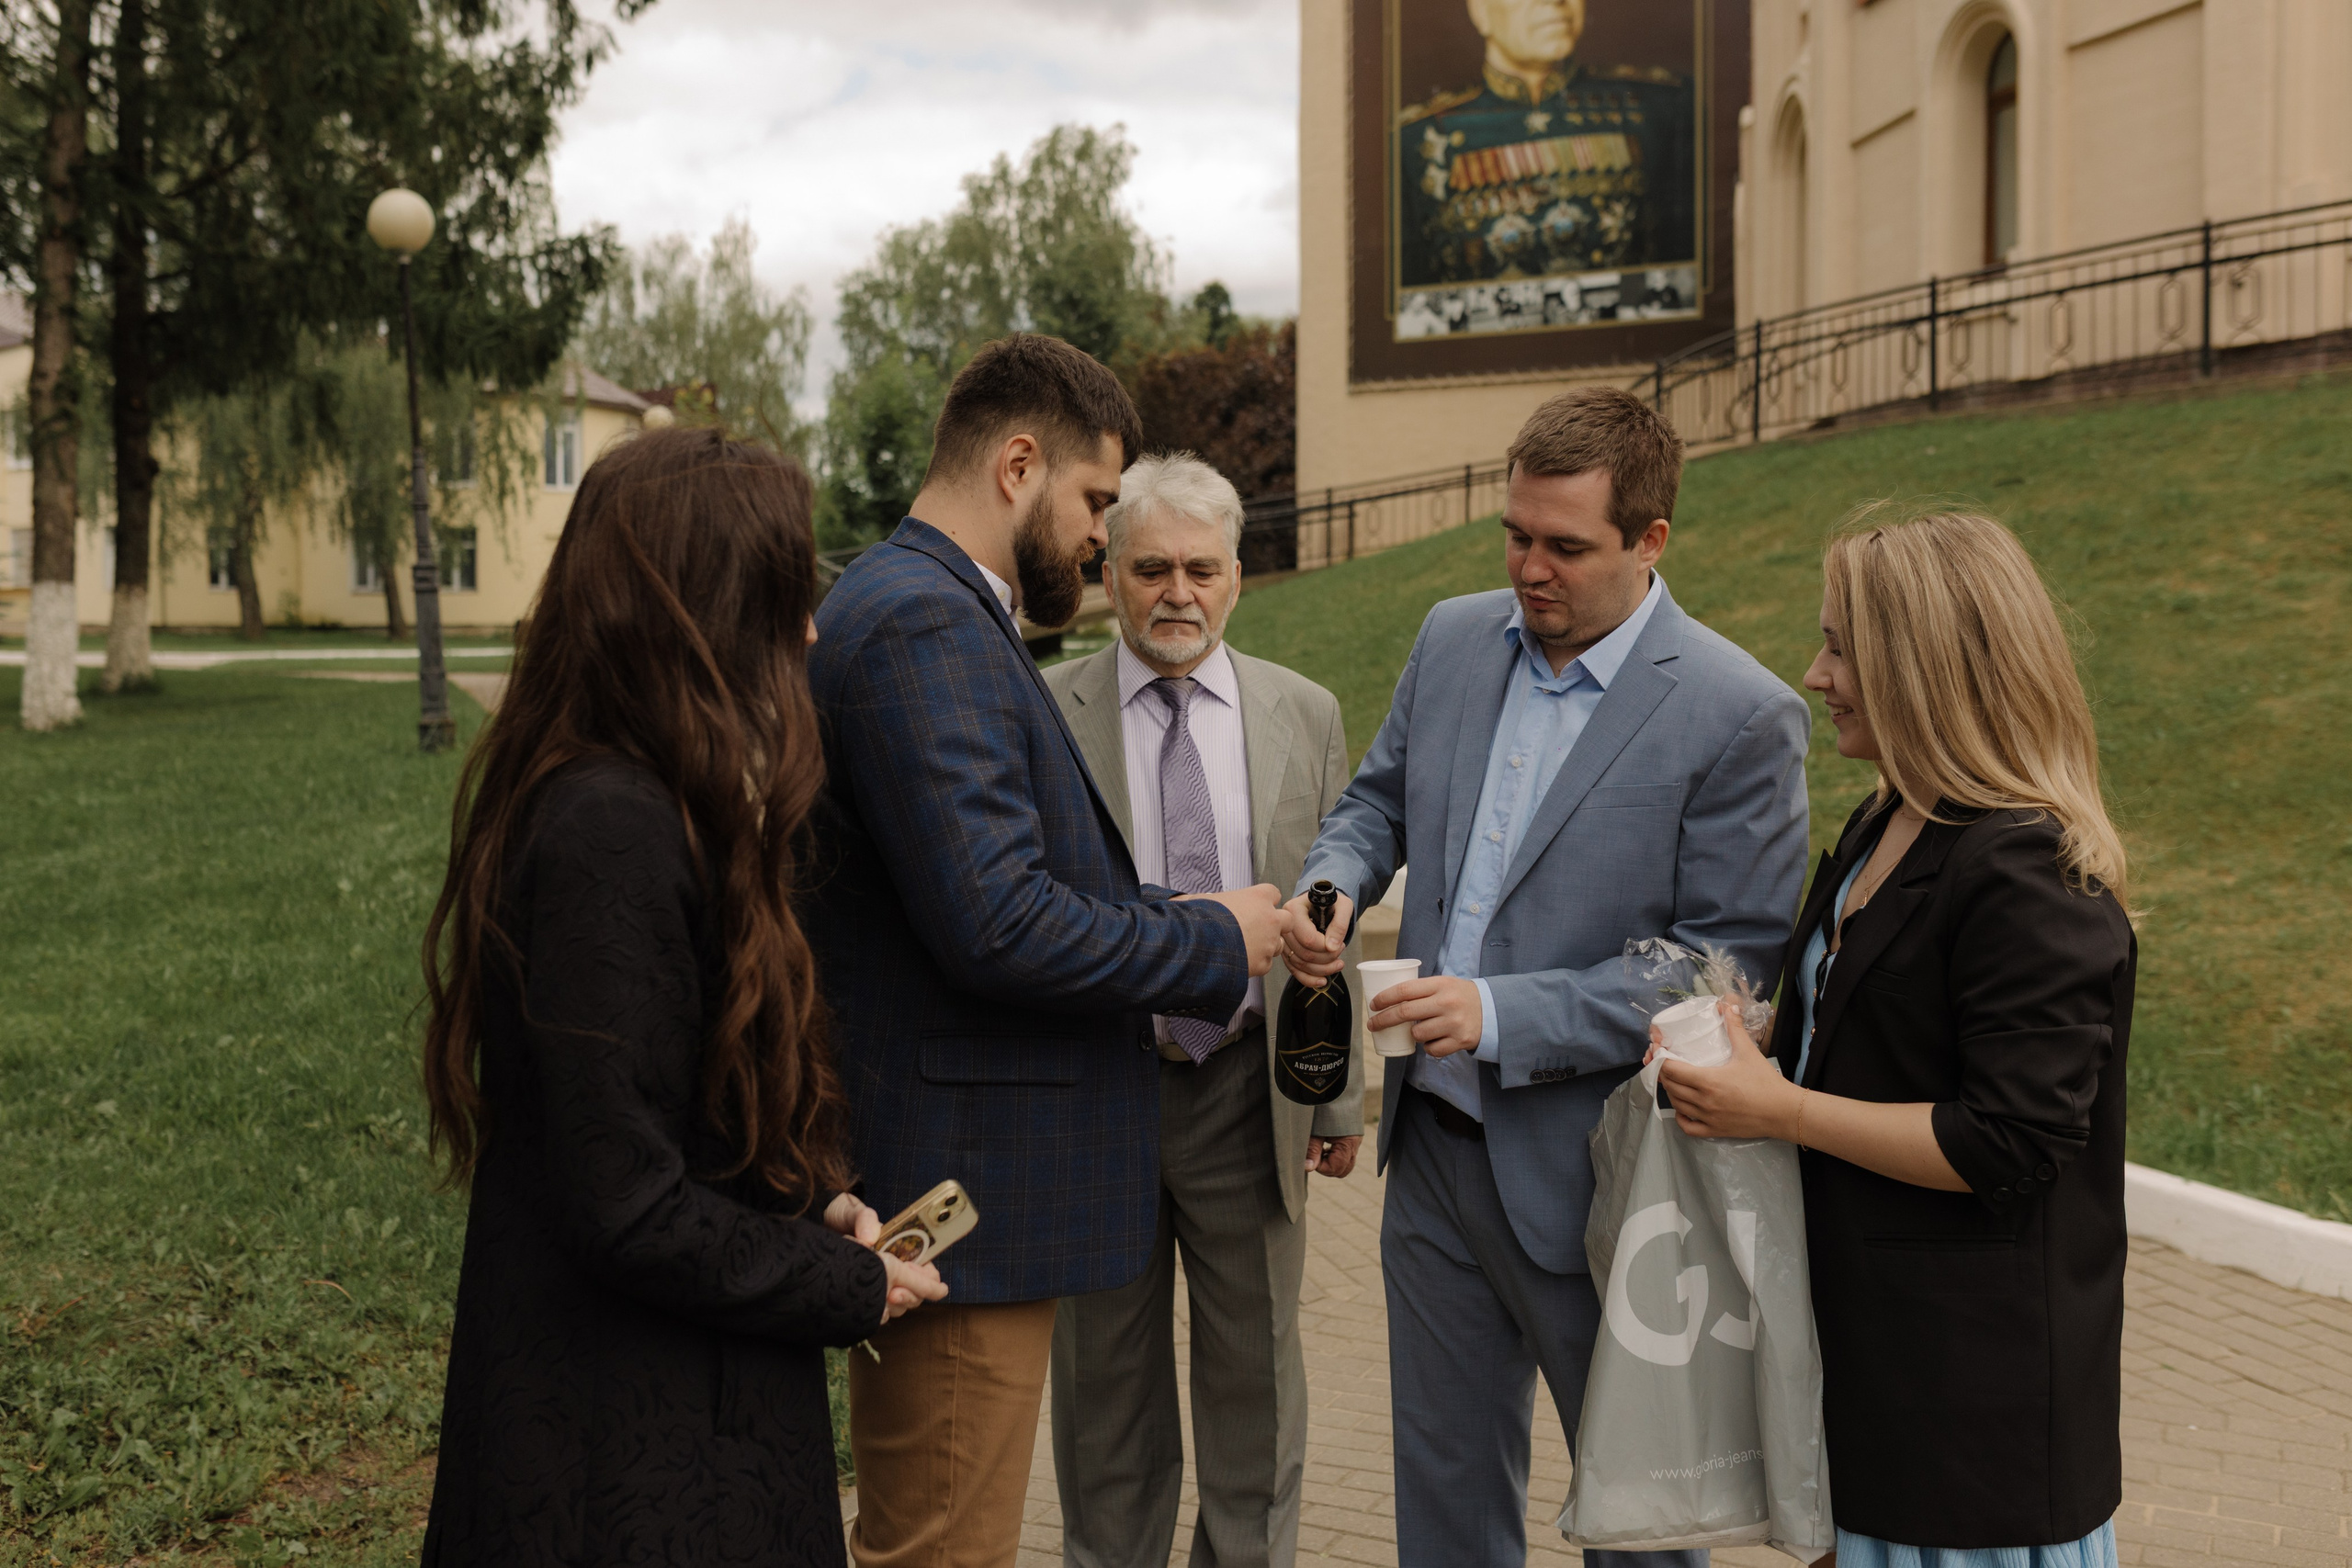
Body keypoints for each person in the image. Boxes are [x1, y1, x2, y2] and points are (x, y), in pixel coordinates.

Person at [1283, 386, 1811, 1568]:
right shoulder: (1450, 635)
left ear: (1651, 540)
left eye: (1565, 546)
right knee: (1444, 1503)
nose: (1530, 568)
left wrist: (1500, 1012)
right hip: (1435, 1165)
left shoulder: (1739, 713)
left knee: (1638, 1526)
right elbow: (1375, 801)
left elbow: (1722, 972)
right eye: (1515, 536)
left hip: (1609, 1183)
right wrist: (1334, 883)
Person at [803, 335, 1295, 1568]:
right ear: (1019, 462)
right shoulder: (924, 619)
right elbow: (999, 918)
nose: (1098, 533)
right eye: (1092, 499)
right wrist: (1206, 935)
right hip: (961, 1193)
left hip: (965, 1185)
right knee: (944, 1546)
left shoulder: (928, 607)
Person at [418, 427, 946, 1568]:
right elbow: (626, 1201)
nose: (809, 631)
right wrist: (843, 1281)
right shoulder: (609, 825)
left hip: (675, 1407)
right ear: (703, 609)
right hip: (620, 1448)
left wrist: (814, 1205)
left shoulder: (649, 800)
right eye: (784, 596)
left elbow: (671, 1112)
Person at [1652, 509, 2136, 1567]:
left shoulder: (2026, 871)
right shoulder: (1889, 819)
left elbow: (2007, 1142)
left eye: (1839, 646)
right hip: (1872, 1375)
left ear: (1924, 667)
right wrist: (1764, 1039)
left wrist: (1775, 1107)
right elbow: (1882, 1025)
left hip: (1972, 1424)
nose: (1814, 673)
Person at [1042, 453, 1362, 1568]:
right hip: (1102, 1093)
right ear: (1109, 575)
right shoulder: (1045, 710)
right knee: (1103, 1392)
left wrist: (1338, 1099)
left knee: (1257, 1381)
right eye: (1150, 568)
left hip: (1247, 1086)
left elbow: (1332, 916)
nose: (1177, 592)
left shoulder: (1304, 713)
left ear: (1236, 577)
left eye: (1202, 569)